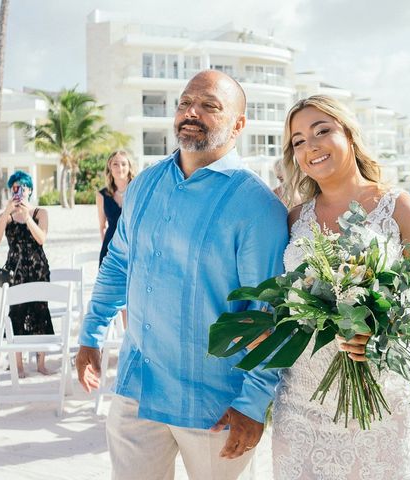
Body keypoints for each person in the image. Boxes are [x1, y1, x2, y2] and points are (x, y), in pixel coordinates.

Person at [75, 70, 288, 480]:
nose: (192, 112)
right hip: (137, 390)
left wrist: (253, 402)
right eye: (185, 103)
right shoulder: (145, 186)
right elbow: (119, 263)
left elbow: (271, 314)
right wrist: (91, 334)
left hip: (217, 408)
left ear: (239, 125)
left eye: (210, 105)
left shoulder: (257, 206)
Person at [272, 95, 410, 479]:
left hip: (384, 401)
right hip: (303, 400)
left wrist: (383, 331)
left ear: (350, 135)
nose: (311, 146)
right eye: (299, 141)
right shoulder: (292, 220)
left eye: (322, 131)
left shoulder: (400, 208)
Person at [0, 170, 52, 378]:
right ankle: (18, 365)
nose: (19, 191)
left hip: (38, 269)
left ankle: (41, 364)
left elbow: (41, 239)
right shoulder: (6, 217)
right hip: (15, 271)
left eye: (23, 187)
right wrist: (6, 213)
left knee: (41, 311)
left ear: (30, 190)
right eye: (15, 188)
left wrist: (27, 218)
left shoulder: (40, 213)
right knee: (16, 313)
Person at [96, 150, 135, 266]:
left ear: (129, 167)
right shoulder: (101, 195)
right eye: (115, 164)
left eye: (124, 164)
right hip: (110, 248)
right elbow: (102, 227)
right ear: (110, 168)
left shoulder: (138, 190)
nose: (120, 167)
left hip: (133, 247)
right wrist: (107, 246)